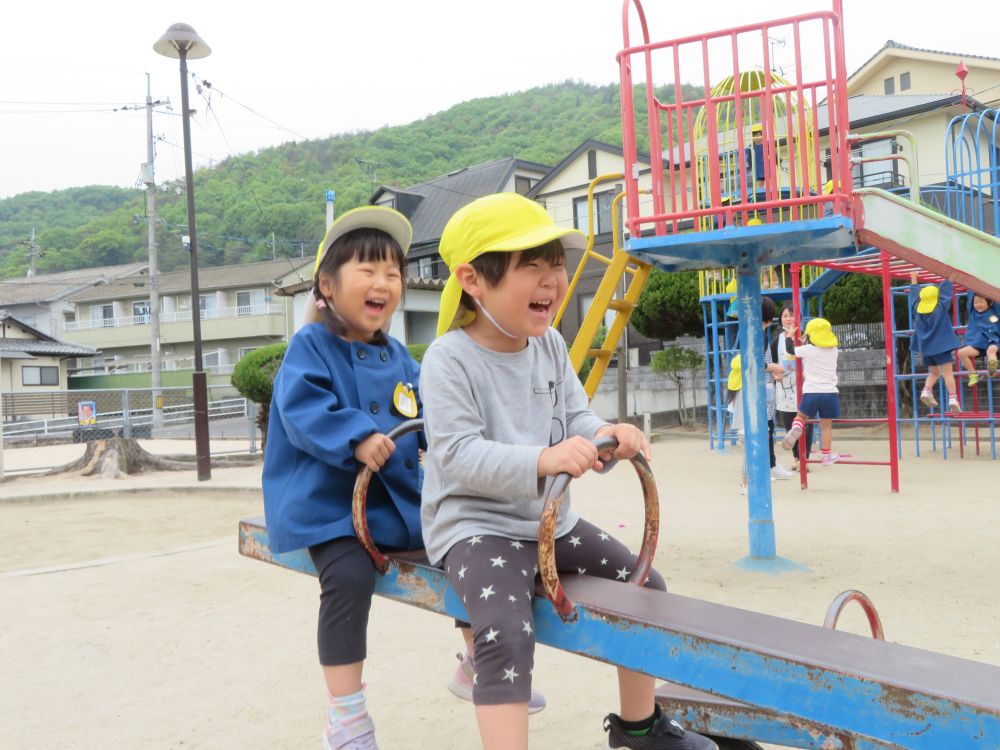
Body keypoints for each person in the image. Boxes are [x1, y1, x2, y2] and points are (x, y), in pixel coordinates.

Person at [420, 193, 717, 750]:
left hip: (548, 522)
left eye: (555, 263)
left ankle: (638, 727)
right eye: (530, 265)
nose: (552, 279)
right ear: (473, 280)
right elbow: (456, 456)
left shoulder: (549, 344)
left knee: (646, 587)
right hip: (476, 527)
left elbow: (575, 416)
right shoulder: (449, 359)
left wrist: (607, 434)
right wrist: (544, 460)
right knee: (505, 631)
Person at [263, 206, 475, 750]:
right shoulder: (311, 347)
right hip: (330, 504)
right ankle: (347, 712)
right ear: (327, 287)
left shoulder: (401, 355)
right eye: (368, 270)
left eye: (393, 273)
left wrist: (458, 438)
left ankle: (476, 658)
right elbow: (302, 407)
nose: (383, 283)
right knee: (350, 577)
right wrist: (356, 435)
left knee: (469, 544)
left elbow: (426, 416)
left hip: (398, 503)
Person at [781, 317, 845, 466]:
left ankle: (796, 426)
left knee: (801, 417)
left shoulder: (807, 350)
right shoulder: (834, 350)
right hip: (830, 393)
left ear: (809, 336)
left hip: (811, 392)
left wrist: (790, 337)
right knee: (826, 426)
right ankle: (826, 455)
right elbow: (818, 347)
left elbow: (791, 349)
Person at [909, 272, 961, 414]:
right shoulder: (940, 307)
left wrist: (914, 279)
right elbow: (945, 292)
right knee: (948, 374)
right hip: (941, 347)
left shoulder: (916, 309)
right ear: (936, 298)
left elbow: (913, 295)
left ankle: (926, 390)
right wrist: (951, 276)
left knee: (933, 373)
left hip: (925, 348)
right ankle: (953, 399)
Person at [773, 304, 813, 471]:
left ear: (799, 318)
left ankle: (804, 458)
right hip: (785, 387)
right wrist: (775, 375)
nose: (789, 318)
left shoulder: (807, 337)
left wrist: (808, 372)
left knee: (806, 423)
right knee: (790, 423)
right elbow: (773, 362)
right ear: (780, 319)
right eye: (785, 316)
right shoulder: (777, 340)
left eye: (792, 315)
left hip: (805, 386)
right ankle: (796, 457)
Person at [956, 293, 1000, 386]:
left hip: (994, 341)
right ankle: (973, 374)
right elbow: (971, 292)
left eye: (981, 302)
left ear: (989, 302)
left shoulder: (995, 310)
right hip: (979, 344)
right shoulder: (972, 312)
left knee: (991, 351)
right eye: (976, 302)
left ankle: (992, 369)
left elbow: (997, 297)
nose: (978, 305)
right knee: (961, 353)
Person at [726, 354, 747, 492]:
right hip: (746, 429)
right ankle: (745, 484)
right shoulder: (744, 391)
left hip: (742, 429)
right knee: (749, 457)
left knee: (748, 456)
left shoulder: (735, 390)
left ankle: (745, 483)